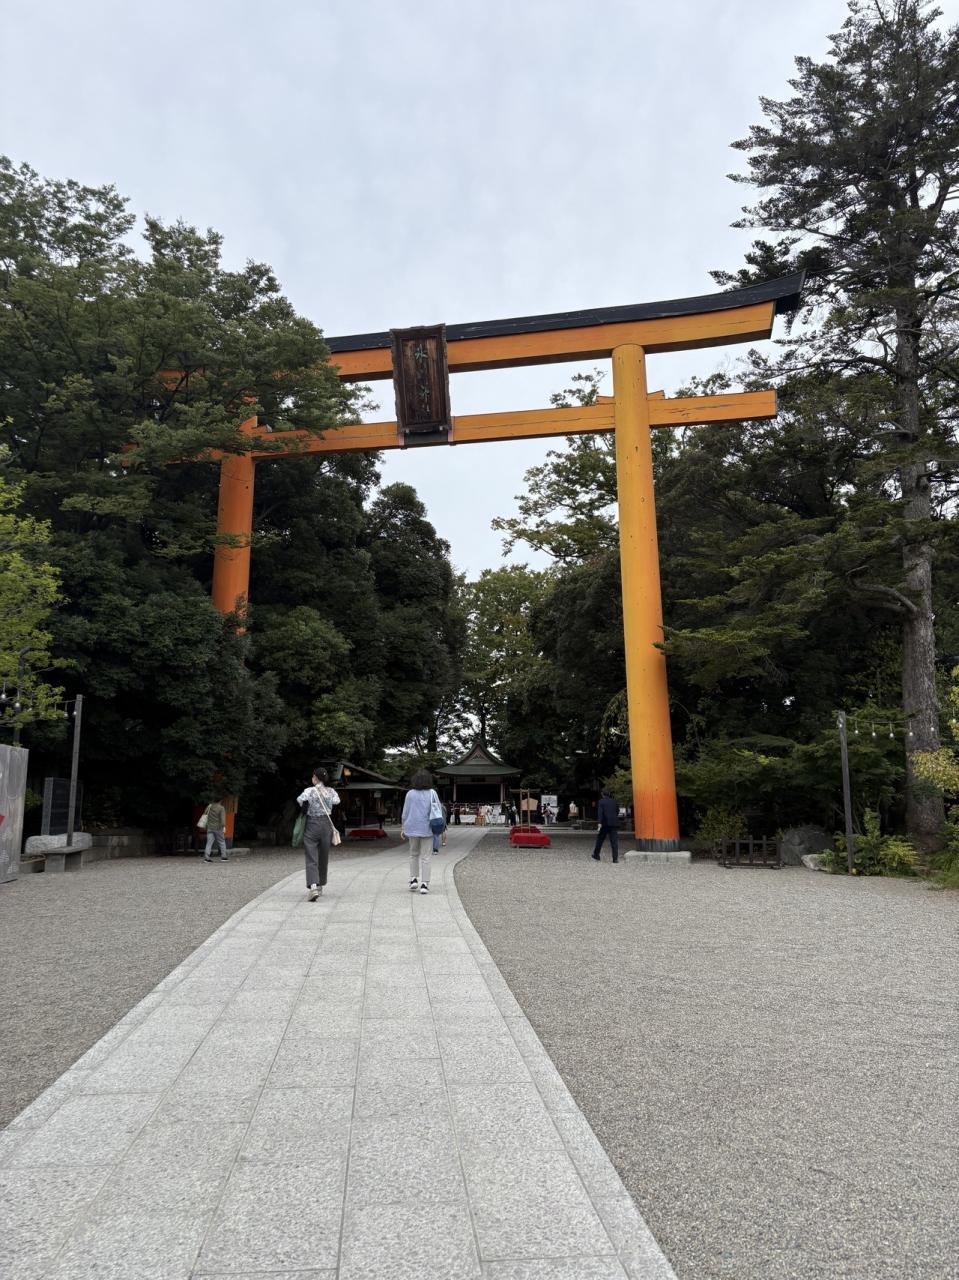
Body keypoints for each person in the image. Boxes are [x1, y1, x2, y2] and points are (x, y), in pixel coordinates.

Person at [297, 767, 340, 900]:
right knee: (323, 856)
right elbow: (337, 801)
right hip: (326, 825)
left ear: (315, 778)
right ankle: (320, 885)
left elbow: (300, 800)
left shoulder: (309, 791)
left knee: (311, 856)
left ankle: (313, 887)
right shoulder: (331, 791)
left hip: (312, 824)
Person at [402, 768, 439, 894]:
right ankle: (425, 884)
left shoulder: (410, 794)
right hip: (428, 828)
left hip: (412, 828)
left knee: (413, 854)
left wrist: (403, 827)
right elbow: (438, 810)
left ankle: (413, 879)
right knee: (426, 857)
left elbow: (405, 812)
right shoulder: (432, 793)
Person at [592, 788, 620, 863]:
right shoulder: (614, 801)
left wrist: (599, 822)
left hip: (605, 823)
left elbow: (600, 813)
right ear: (609, 794)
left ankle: (596, 854)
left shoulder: (601, 801)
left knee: (600, 839)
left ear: (602, 794)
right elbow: (617, 811)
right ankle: (615, 858)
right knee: (614, 841)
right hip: (613, 823)